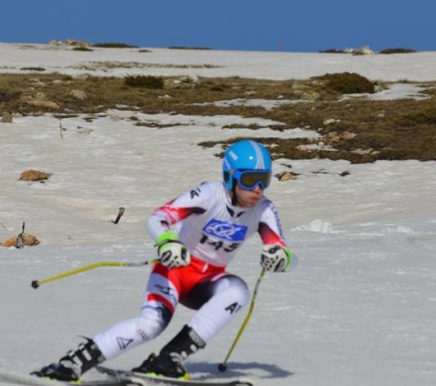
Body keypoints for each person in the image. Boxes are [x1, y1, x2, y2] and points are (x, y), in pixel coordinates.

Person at [32, 139, 297, 381]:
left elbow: (286, 253)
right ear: (230, 177)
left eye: (265, 180)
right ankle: (73, 363)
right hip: (174, 271)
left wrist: (281, 258)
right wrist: (167, 241)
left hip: (208, 281)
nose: (258, 189)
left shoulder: (264, 210)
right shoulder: (208, 195)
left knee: (238, 291)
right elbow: (157, 218)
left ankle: (169, 358)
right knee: (151, 325)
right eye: (250, 180)